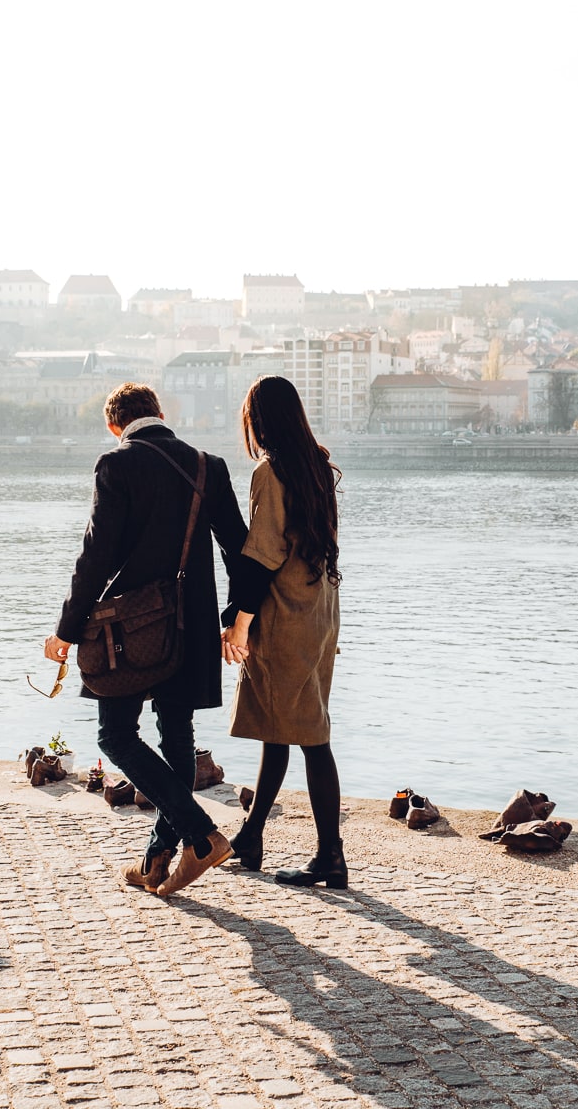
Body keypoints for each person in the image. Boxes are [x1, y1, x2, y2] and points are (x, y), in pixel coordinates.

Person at [43, 382, 248, 897]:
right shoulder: (209, 465)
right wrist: (237, 619)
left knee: (115, 735)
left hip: (131, 631)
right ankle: (157, 859)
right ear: (160, 413)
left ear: (115, 426)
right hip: (194, 625)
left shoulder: (118, 464)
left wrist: (67, 630)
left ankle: (200, 836)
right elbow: (238, 550)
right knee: (176, 735)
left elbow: (97, 556)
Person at [221, 375, 346, 888]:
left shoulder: (271, 474)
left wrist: (238, 625)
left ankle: (330, 857)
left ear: (260, 419)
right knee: (281, 727)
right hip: (318, 608)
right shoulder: (316, 466)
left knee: (310, 735)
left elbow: (261, 554)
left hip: (286, 613)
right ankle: (251, 836)